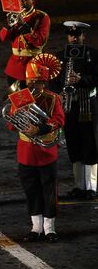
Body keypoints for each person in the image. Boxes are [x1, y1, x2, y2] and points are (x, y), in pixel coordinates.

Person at [5, 53, 64, 242]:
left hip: (46, 151)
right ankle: (36, 227)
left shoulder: (53, 98)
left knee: (48, 190)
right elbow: (10, 124)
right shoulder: (21, 97)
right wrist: (19, 119)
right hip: (26, 152)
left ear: (43, 82)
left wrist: (39, 128)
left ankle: (49, 228)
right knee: (31, 189)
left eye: (36, 82)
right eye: (30, 81)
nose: (31, 85)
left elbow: (59, 120)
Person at [49, 21, 98, 199]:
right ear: (68, 36)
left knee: (90, 144)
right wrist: (58, 93)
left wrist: (81, 80)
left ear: (84, 36)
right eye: (71, 35)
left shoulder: (93, 55)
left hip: (88, 106)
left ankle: (92, 186)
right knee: (74, 143)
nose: (74, 38)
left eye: (78, 35)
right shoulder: (60, 56)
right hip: (68, 106)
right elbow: (53, 81)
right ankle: (79, 185)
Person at [0, 0, 50, 90]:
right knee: (15, 102)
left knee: (32, 101)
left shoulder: (41, 17)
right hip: (14, 67)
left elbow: (39, 41)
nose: (22, 2)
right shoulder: (15, 15)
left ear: (32, 0)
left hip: (32, 67)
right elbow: (3, 38)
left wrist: (23, 26)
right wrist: (9, 25)